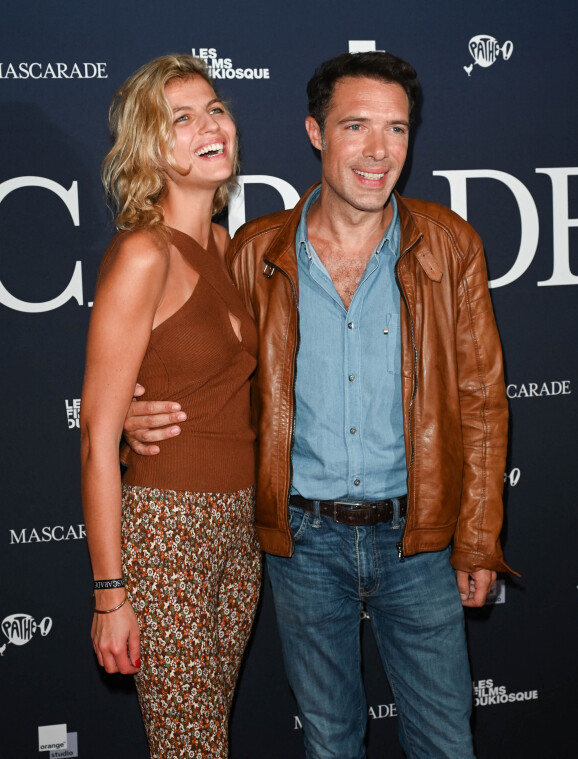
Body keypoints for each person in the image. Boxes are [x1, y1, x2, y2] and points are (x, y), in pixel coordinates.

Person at [124, 51, 513, 758]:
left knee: (445, 742)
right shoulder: (255, 250)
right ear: (315, 132)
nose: (378, 151)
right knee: (330, 742)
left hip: (419, 540)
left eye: (396, 130)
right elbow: (207, 372)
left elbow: (482, 401)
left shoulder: (449, 245)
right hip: (303, 544)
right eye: (356, 126)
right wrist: (128, 415)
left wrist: (479, 535)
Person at [80, 54, 261, 759]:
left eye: (214, 109)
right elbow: (98, 436)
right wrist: (109, 593)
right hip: (168, 533)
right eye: (180, 119)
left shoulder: (223, 244)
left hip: (239, 532)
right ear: (150, 150)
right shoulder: (142, 254)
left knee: (204, 738)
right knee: (190, 747)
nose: (208, 125)